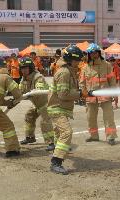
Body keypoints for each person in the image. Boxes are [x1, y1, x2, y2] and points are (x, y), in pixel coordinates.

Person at [47, 45, 84, 175]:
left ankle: (57, 153)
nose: (79, 62)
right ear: (69, 59)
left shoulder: (69, 71)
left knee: (59, 135)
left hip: (60, 108)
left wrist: (80, 93)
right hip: (57, 108)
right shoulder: (64, 73)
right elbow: (63, 95)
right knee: (66, 132)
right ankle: (56, 162)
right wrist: (80, 94)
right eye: (77, 60)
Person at [80, 43, 117, 145]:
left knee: (108, 118)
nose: (93, 55)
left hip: (105, 96)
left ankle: (111, 137)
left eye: (94, 52)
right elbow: (82, 83)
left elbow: (112, 81)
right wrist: (84, 94)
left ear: (98, 53)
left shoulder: (107, 65)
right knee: (90, 118)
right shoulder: (85, 67)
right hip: (91, 97)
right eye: (90, 53)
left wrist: (113, 94)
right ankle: (93, 136)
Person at [18, 57, 55, 151]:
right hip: (37, 103)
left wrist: (33, 91)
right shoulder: (24, 78)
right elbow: (20, 91)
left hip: (46, 103)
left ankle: (51, 142)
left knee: (45, 121)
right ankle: (30, 137)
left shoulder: (38, 77)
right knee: (29, 116)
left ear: (30, 68)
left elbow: (39, 89)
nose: (24, 70)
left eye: (26, 68)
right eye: (22, 68)